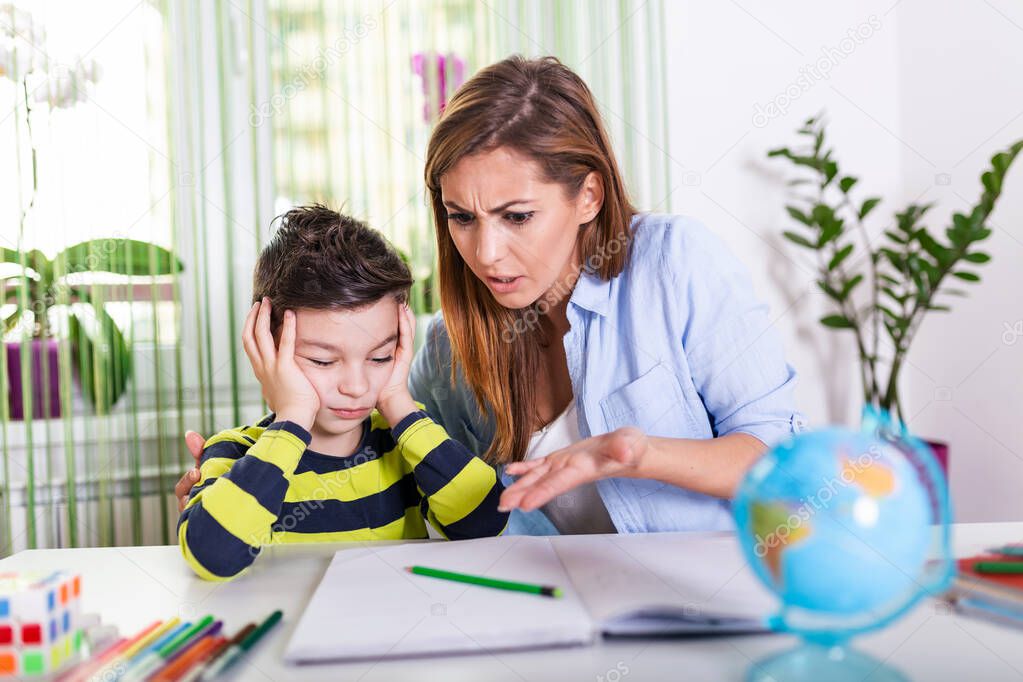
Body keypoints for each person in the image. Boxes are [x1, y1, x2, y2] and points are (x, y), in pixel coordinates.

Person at [176, 55, 806, 537]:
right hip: (537, 616)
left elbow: (782, 469)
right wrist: (243, 473)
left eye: (518, 217)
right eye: (462, 217)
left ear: (587, 195)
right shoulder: (451, 343)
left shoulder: (674, 263)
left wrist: (636, 455)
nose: (486, 254)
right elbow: (385, 450)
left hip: (696, 610)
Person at [177, 206, 508, 581]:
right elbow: (212, 557)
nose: (357, 386)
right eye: (322, 361)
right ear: (264, 348)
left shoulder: (406, 441)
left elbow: (485, 524)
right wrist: (294, 416)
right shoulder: (238, 453)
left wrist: (399, 402)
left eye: (380, 356)